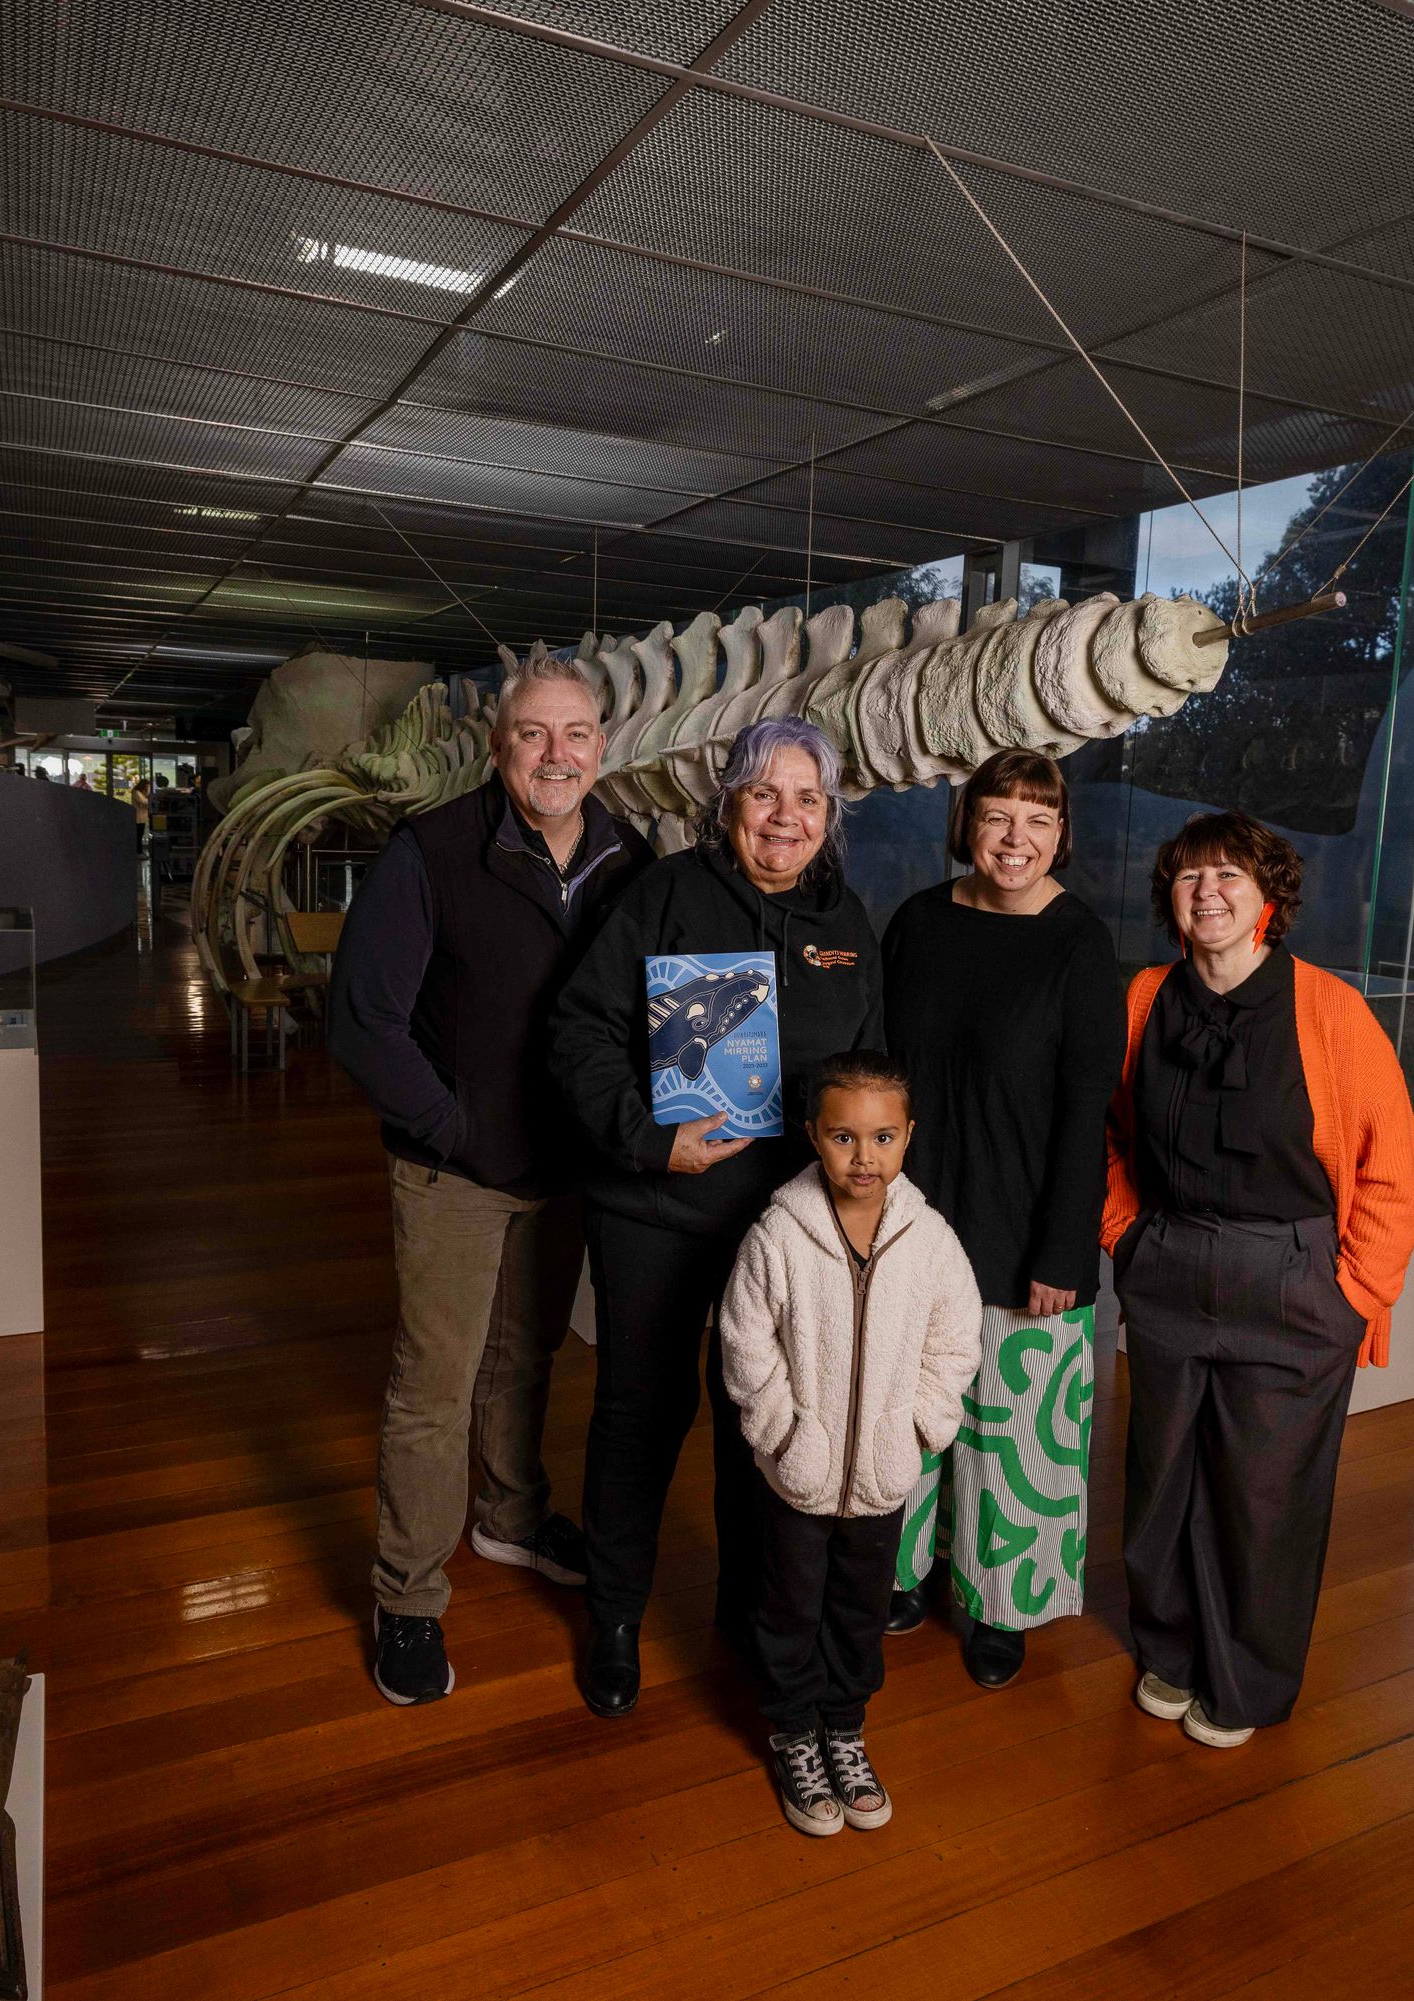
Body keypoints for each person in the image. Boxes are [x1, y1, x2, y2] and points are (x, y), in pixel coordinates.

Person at [547, 715, 884, 1719]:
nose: (785, 817)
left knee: (762, 1424)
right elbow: (578, 1034)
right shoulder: (662, 895)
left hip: (782, 1224)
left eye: (807, 800)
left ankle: (750, 1613)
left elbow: (875, 1073)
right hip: (654, 1202)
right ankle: (614, 1616)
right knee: (641, 1411)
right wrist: (655, 1139)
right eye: (765, 795)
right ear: (730, 801)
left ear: (830, 817)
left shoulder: (848, 925)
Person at [330, 655, 644, 1705]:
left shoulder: (625, 856)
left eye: (577, 734)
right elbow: (361, 1020)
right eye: (534, 735)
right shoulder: (429, 852)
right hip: (452, 1172)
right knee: (434, 1388)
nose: (557, 755)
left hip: (562, 1167)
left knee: (529, 1356)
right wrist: (449, 1124)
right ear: (498, 744)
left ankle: (510, 1516)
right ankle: (409, 1598)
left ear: (603, 746)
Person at [1103, 810, 1414, 1749]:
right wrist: (1124, 1233)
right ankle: (1167, 1648)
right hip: (1167, 1265)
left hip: (1292, 1281)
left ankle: (1243, 1680)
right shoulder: (1144, 998)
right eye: (1190, 874)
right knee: (1160, 1474)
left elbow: (1393, 1165)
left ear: (1269, 900)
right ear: (1171, 895)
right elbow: (1110, 1132)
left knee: (1265, 1491)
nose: (1208, 889)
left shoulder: (1332, 1011)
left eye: (1230, 875)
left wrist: (1353, 1295)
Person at [879, 749, 1122, 1687]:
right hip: (911, 1219)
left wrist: (1064, 1246)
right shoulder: (917, 922)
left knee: (1011, 1428)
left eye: (1037, 818)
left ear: (1062, 833)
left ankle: (1001, 1599)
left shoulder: (1079, 944)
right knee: (904, 1413)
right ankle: (900, 1573)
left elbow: (1085, 1108)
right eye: (997, 815)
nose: (1015, 838)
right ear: (965, 825)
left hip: (1026, 1228)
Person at [718, 1051, 982, 1836]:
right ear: (811, 1136)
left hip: (880, 1476)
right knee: (790, 1604)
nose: (863, 1157)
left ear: (908, 1138)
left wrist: (917, 1429)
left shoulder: (930, 1241)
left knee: (859, 1608)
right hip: (798, 1476)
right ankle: (796, 1732)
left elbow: (954, 1343)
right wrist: (785, 1435)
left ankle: (845, 1727)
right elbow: (745, 1343)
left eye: (882, 1137)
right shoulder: (778, 1235)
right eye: (842, 1136)